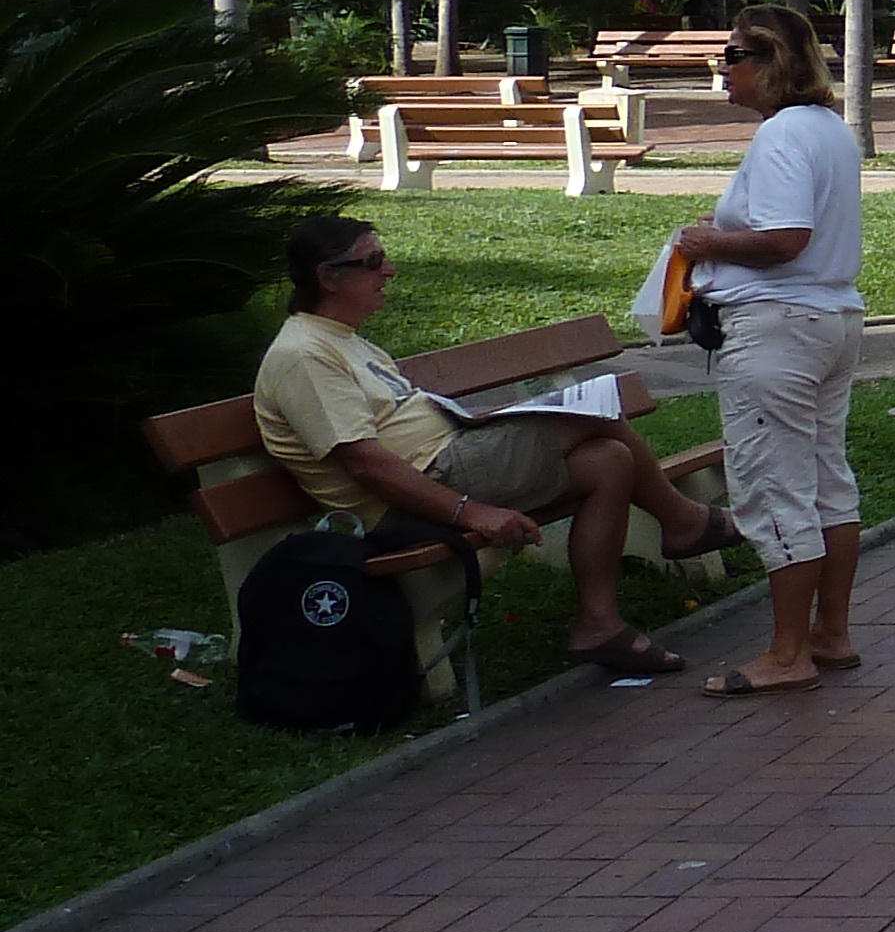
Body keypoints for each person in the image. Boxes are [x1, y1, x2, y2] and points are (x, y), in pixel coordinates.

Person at [253, 213, 738, 685]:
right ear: (328, 277)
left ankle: (599, 625)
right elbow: (365, 463)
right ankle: (682, 522)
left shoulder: (342, 341)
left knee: (609, 461)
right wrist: (473, 514)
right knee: (599, 412)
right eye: (373, 260)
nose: (389, 270)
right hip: (417, 494)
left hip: (446, 460)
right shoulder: (303, 355)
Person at [675, 5, 868, 697]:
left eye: (729, 56)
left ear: (766, 63)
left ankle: (788, 654)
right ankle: (831, 631)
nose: (721, 70)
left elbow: (787, 237)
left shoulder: (783, 134)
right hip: (829, 319)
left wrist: (706, 244)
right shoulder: (826, 129)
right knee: (825, 481)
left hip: (779, 329)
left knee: (775, 487)